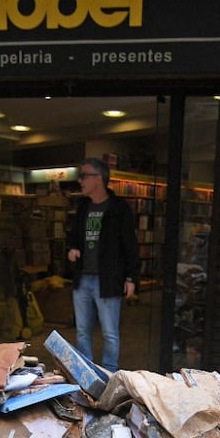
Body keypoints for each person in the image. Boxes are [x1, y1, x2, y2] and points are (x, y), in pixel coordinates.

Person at [66, 157, 140, 372]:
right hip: (83, 278)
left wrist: (131, 278)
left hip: (108, 279)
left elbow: (130, 245)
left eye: (84, 176)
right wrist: (72, 249)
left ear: (98, 178)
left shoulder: (119, 209)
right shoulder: (83, 206)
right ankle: (86, 371)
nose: (80, 181)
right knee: (82, 330)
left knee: (109, 332)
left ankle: (109, 372)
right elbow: (74, 237)